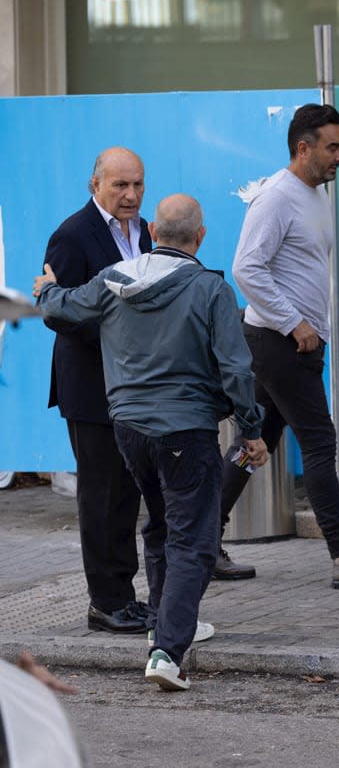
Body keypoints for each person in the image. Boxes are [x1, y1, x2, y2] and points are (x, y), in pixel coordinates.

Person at [34, 194, 267, 691]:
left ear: (152, 232)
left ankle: (165, 625)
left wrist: (47, 291)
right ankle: (167, 650)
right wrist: (251, 428)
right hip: (186, 429)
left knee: (161, 525)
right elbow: (236, 367)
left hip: (127, 429)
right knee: (195, 540)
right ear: (199, 238)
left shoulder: (116, 279)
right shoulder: (209, 288)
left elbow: (65, 308)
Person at [218, 103, 339, 589]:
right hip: (280, 344)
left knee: (252, 443)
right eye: (333, 147)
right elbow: (246, 268)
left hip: (287, 344)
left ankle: (198, 540)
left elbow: (296, 268)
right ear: (303, 149)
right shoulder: (277, 198)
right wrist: (294, 322)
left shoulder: (315, 194)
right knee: (321, 445)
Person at [42, 146, 151, 634]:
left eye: (137, 185)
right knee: (101, 495)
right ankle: (104, 602)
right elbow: (60, 314)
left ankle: (125, 595)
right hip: (90, 387)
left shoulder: (144, 231)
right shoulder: (71, 235)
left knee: (127, 494)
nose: (130, 196)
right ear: (96, 185)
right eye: (120, 186)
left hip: (133, 385)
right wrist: (123, 334)